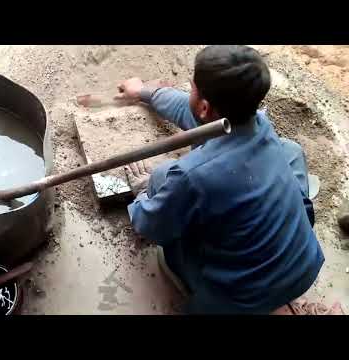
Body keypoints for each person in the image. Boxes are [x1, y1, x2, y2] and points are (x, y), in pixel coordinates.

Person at [116, 45, 344, 315]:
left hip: (238, 301)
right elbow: (189, 112)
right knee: (290, 152)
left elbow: (151, 227)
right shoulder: (260, 125)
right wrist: (144, 92)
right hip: (303, 270)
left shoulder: (192, 176)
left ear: (204, 105)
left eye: (192, 88)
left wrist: (143, 194)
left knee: (160, 179)